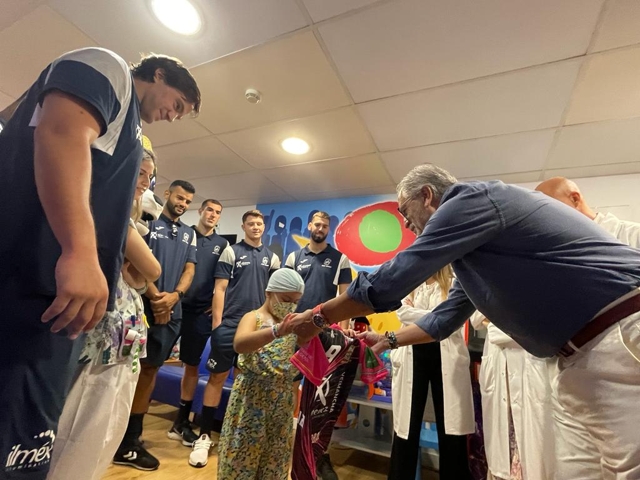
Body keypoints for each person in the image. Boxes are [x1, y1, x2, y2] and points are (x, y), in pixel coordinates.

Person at [290, 163, 640, 478]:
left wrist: (317, 316)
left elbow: (389, 281)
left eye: (404, 211)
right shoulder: (472, 258)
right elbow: (444, 320)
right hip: (579, 357)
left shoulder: (470, 199)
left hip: (618, 334)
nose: (406, 224)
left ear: (427, 195)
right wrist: (389, 340)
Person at [0, 47, 200, 480]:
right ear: (160, 74)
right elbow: (59, 131)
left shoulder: (127, 128)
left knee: (31, 446)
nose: (171, 115)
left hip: (54, 303)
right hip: (27, 283)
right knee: (17, 443)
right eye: (177, 105)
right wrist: (78, 251)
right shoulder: (109, 67)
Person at [47, 148, 160, 480]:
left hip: (120, 344)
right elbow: (152, 268)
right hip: (99, 343)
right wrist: (138, 266)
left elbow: (140, 277)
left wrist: (136, 268)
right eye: (140, 172)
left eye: (149, 176)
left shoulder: (125, 215)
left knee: (101, 431)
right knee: (80, 429)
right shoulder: (107, 206)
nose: (144, 182)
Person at [536, 176, 640, 478]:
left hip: (621, 368)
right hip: (568, 371)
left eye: (551, 212)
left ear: (574, 198)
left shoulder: (630, 236)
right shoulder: (553, 257)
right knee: (573, 471)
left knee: (626, 468)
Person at [114, 179, 198, 471]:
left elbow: (190, 268)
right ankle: (117, 437)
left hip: (172, 311)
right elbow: (134, 261)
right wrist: (156, 298)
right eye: (179, 197)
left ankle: (131, 438)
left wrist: (175, 297)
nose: (183, 204)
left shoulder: (190, 234)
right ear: (166, 194)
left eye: (188, 201)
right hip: (142, 305)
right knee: (127, 370)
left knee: (151, 370)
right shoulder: (147, 221)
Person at [189, 210, 280, 468]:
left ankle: (238, 436)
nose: (255, 227)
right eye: (250, 223)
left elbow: (273, 295)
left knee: (245, 381)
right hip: (229, 325)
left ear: (264, 227)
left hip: (257, 328)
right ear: (243, 226)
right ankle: (204, 435)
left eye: (259, 224)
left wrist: (270, 324)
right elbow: (220, 288)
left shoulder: (272, 258)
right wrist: (217, 325)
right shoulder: (231, 251)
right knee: (217, 377)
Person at [217, 268, 305, 479]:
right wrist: (276, 331)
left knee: (274, 459)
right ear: (269, 293)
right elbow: (239, 344)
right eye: (285, 299)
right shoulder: (253, 317)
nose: (290, 306)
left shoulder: (293, 323)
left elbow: (313, 341)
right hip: (251, 399)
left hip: (280, 401)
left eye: (295, 301)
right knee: (241, 458)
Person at [284, 210, 352, 479]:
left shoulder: (339, 259)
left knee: (322, 394)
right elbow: (284, 295)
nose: (320, 228)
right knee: (291, 385)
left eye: (325, 225)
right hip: (294, 332)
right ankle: (290, 441)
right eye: (317, 224)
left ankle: (320, 452)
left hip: (325, 334)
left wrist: (343, 337)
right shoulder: (293, 257)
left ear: (328, 229)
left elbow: (346, 298)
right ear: (310, 225)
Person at [390, 264, 473, 480]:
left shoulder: (455, 281)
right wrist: (439, 316)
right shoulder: (411, 283)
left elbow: (454, 318)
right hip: (413, 353)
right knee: (406, 428)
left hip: (445, 355)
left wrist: (424, 315)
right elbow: (401, 313)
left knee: (451, 431)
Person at [170, 199, 228, 440]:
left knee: (191, 366)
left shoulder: (223, 244)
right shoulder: (184, 234)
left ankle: (181, 422)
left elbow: (224, 282)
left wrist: (214, 309)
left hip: (200, 314)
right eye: (209, 210)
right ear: (200, 211)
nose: (213, 215)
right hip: (174, 307)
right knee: (148, 364)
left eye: (217, 212)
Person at [536, 176, 640, 246]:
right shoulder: (558, 248)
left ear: (574, 199)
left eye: (550, 208)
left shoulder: (635, 235)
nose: (547, 218)